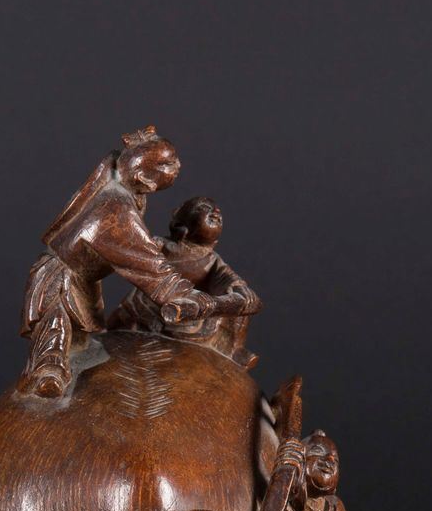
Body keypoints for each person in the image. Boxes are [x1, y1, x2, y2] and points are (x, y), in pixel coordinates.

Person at [18, 128, 222, 398]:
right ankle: (47, 376)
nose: (177, 166)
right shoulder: (116, 211)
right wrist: (186, 295)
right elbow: (150, 267)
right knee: (54, 342)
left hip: (82, 281)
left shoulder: (122, 188)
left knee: (83, 340)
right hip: (60, 280)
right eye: (167, 164)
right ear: (144, 179)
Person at [108, 195, 261, 369]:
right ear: (180, 224)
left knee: (240, 308)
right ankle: (104, 331)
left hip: (192, 314)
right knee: (122, 314)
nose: (216, 212)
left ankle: (235, 350)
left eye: (217, 211)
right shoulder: (160, 245)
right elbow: (137, 255)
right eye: (203, 208)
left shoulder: (212, 261)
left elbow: (229, 280)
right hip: (149, 304)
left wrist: (240, 289)